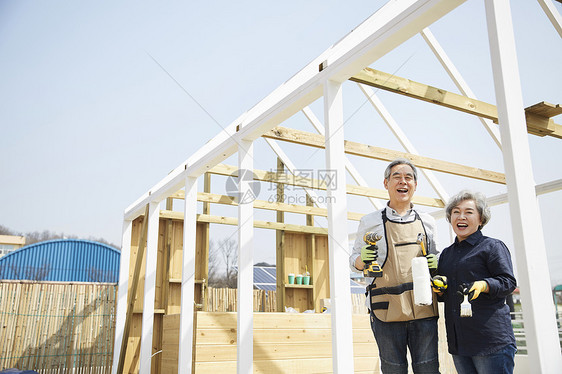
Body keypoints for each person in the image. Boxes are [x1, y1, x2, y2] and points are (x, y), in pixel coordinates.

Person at [350, 158, 440, 373]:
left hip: (423, 309)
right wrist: (362, 258)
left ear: (415, 185)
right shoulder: (369, 221)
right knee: (393, 369)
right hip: (385, 309)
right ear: (386, 183)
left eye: (408, 177)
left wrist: (436, 263)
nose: (403, 182)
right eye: (397, 177)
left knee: (427, 368)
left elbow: (434, 259)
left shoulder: (427, 222)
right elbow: (354, 264)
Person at [432, 190, 516, 374]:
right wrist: (439, 290)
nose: (461, 216)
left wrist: (485, 285)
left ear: (480, 219)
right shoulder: (446, 254)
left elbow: (508, 282)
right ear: (450, 218)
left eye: (469, 212)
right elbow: (446, 296)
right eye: (456, 212)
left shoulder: (492, 247)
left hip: (490, 342)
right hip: (459, 343)